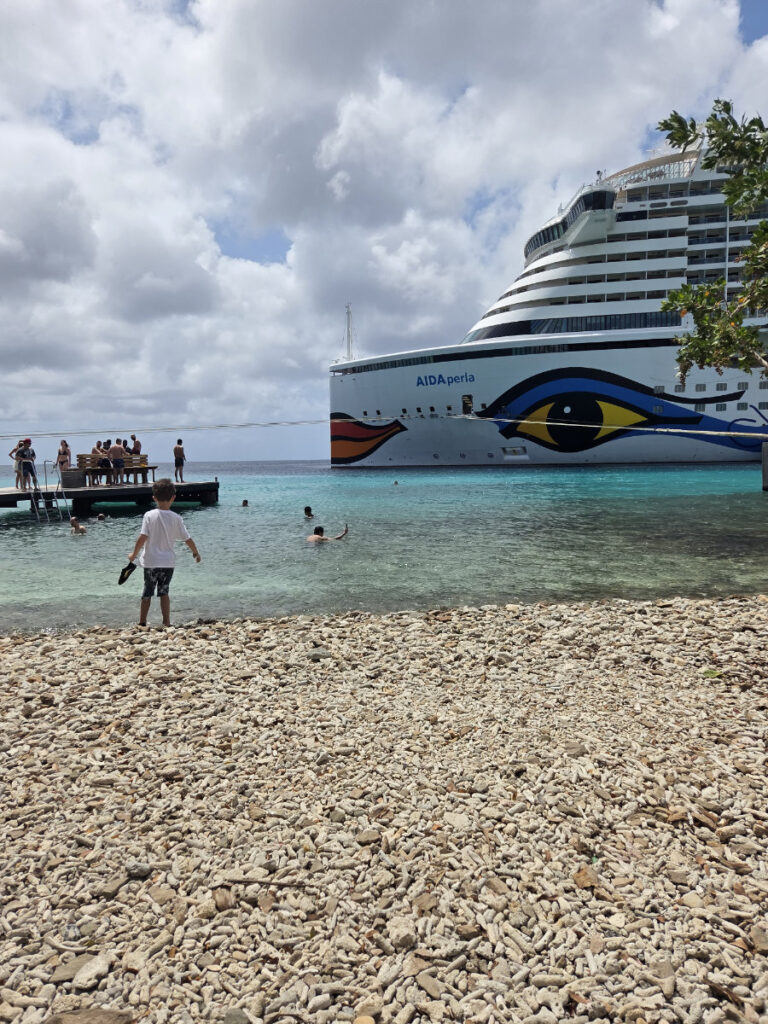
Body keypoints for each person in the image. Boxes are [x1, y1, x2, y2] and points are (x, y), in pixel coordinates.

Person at [127, 478, 201, 627]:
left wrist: (133, 554)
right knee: (164, 592)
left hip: (151, 562)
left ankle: (142, 622)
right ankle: (166, 622)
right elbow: (187, 539)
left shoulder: (149, 515)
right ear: (173, 497)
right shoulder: (176, 518)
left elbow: (143, 537)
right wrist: (195, 553)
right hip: (168, 563)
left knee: (147, 591)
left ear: (154, 497)